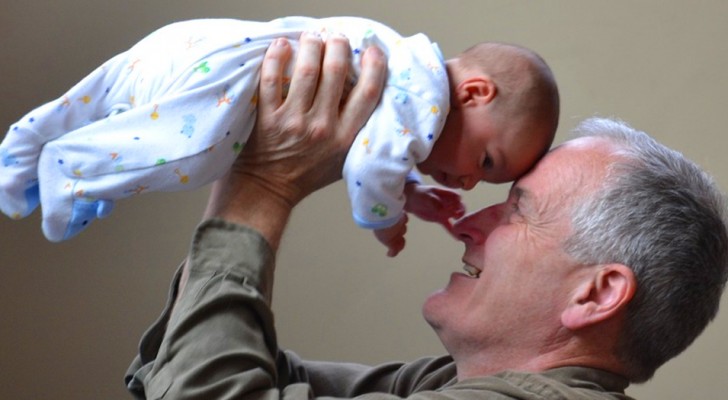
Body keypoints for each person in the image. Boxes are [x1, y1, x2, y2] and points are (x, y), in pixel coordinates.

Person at [124, 33, 728, 398]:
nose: (467, 222)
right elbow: (197, 364)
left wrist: (261, 183)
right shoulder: (448, 383)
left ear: (597, 294)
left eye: (517, 211)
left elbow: (205, 389)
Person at [0, 17, 559, 257]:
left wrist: (410, 189)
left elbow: (382, 151)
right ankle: (70, 170)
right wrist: (386, 221)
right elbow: (368, 172)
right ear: (475, 93)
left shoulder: (409, 70)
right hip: (228, 83)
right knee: (194, 158)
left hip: (200, 47)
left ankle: (32, 150)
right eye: (487, 161)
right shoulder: (424, 95)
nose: (468, 180)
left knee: (104, 98)